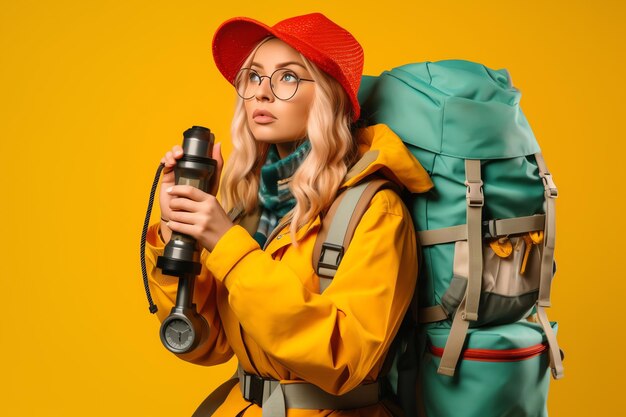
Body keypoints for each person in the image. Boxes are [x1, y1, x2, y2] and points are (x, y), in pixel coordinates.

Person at [145, 12, 433, 417]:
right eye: (254, 77)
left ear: (330, 96)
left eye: (287, 78)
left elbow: (345, 358)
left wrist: (229, 247)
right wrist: (180, 230)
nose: (262, 93)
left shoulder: (375, 209)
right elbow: (206, 344)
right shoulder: (251, 203)